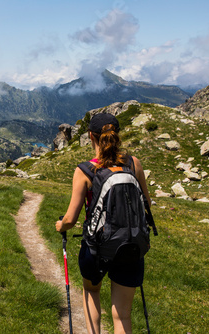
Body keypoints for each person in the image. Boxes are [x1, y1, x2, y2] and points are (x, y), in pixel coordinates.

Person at [55, 113, 151, 334]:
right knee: (123, 315)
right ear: (116, 135)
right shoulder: (134, 164)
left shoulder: (85, 170)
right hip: (131, 244)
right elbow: (146, 205)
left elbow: (71, 219)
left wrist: (61, 226)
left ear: (91, 136)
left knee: (91, 291)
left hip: (97, 247)